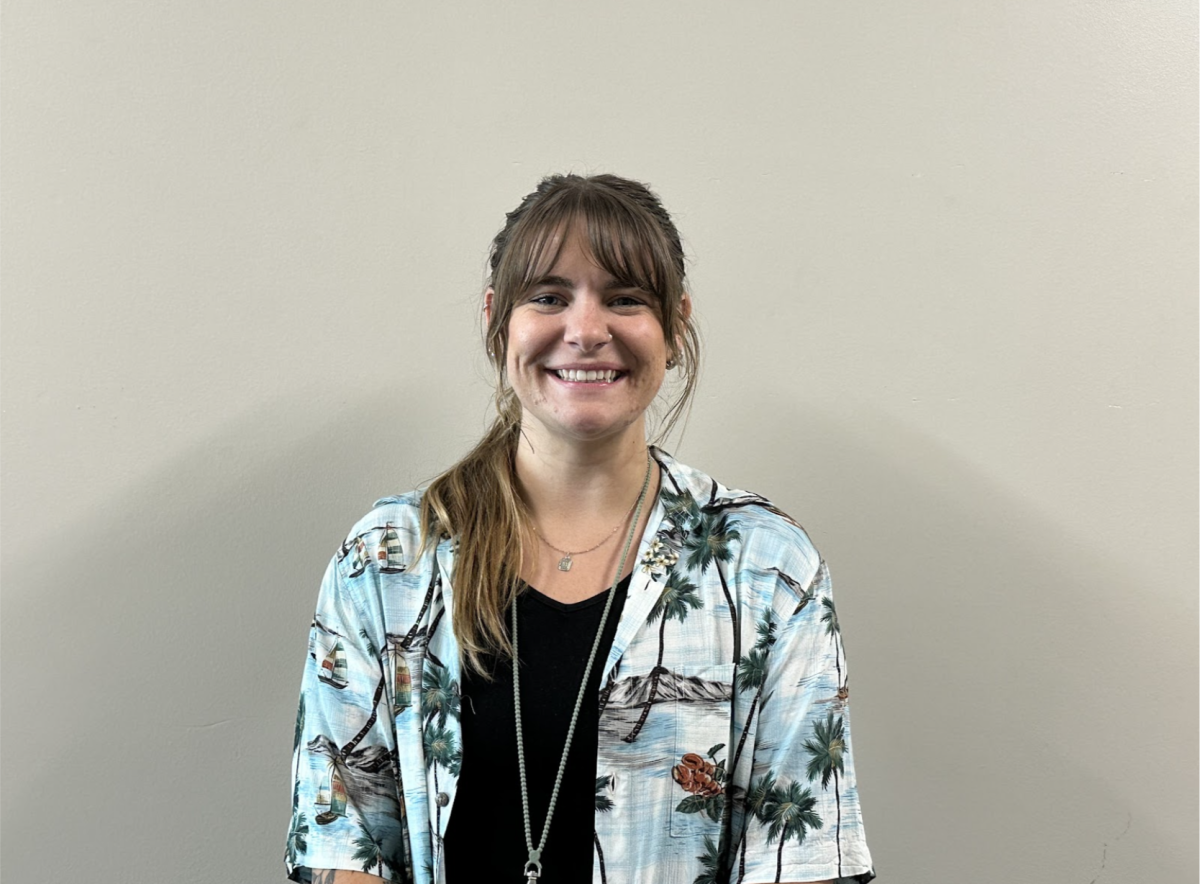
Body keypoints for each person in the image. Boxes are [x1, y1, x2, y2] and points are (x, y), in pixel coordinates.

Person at [285, 173, 876, 884]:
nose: (588, 330)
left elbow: (805, 853)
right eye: (549, 297)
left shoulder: (766, 567)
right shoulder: (386, 559)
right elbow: (338, 842)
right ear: (496, 318)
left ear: (676, 325)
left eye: (626, 299)